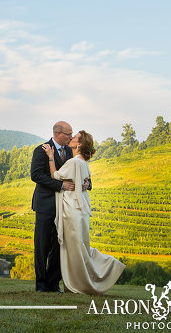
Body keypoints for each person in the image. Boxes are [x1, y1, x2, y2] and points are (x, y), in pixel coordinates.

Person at [42, 130, 124, 295]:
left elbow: (55, 176)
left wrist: (51, 156)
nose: (71, 138)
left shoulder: (74, 162)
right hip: (81, 209)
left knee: (75, 248)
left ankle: (93, 276)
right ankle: (79, 280)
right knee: (80, 246)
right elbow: (85, 183)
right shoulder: (83, 163)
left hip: (72, 208)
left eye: (75, 137)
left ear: (79, 144)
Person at [31, 121, 77, 293]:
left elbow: (77, 172)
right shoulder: (41, 150)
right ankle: (41, 284)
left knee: (59, 245)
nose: (71, 137)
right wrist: (60, 186)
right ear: (57, 133)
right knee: (42, 245)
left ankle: (53, 282)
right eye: (68, 134)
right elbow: (36, 175)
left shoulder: (71, 152)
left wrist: (86, 183)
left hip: (64, 206)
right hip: (45, 205)